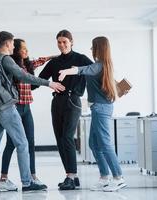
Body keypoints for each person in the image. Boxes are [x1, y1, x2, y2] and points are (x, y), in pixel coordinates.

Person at [0, 31, 65, 195]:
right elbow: (23, 76)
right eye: (12, 43)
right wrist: (49, 83)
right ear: (7, 43)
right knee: (22, 143)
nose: (13, 46)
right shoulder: (6, 59)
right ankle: (27, 182)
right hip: (6, 108)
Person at [58, 36, 127, 192]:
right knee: (94, 144)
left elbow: (82, 69)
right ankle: (104, 177)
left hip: (101, 109)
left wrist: (67, 71)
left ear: (98, 48)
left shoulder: (99, 66)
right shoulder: (103, 66)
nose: (90, 49)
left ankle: (118, 177)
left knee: (105, 143)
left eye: (92, 47)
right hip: (99, 107)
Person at [33, 29, 93, 190]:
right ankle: (71, 176)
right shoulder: (54, 63)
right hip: (57, 102)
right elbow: (36, 82)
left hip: (73, 101)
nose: (62, 45)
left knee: (67, 137)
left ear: (71, 42)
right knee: (60, 140)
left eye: (65, 42)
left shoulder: (80, 59)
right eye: (59, 42)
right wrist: (27, 68)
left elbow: (96, 70)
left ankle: (70, 176)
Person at [0, 39, 57, 191]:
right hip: (14, 108)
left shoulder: (28, 65)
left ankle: (32, 176)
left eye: (26, 48)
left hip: (27, 108)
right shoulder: (11, 65)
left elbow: (39, 61)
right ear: (16, 50)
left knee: (30, 143)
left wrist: (55, 56)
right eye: (23, 49)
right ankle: (3, 178)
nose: (26, 51)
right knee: (11, 144)